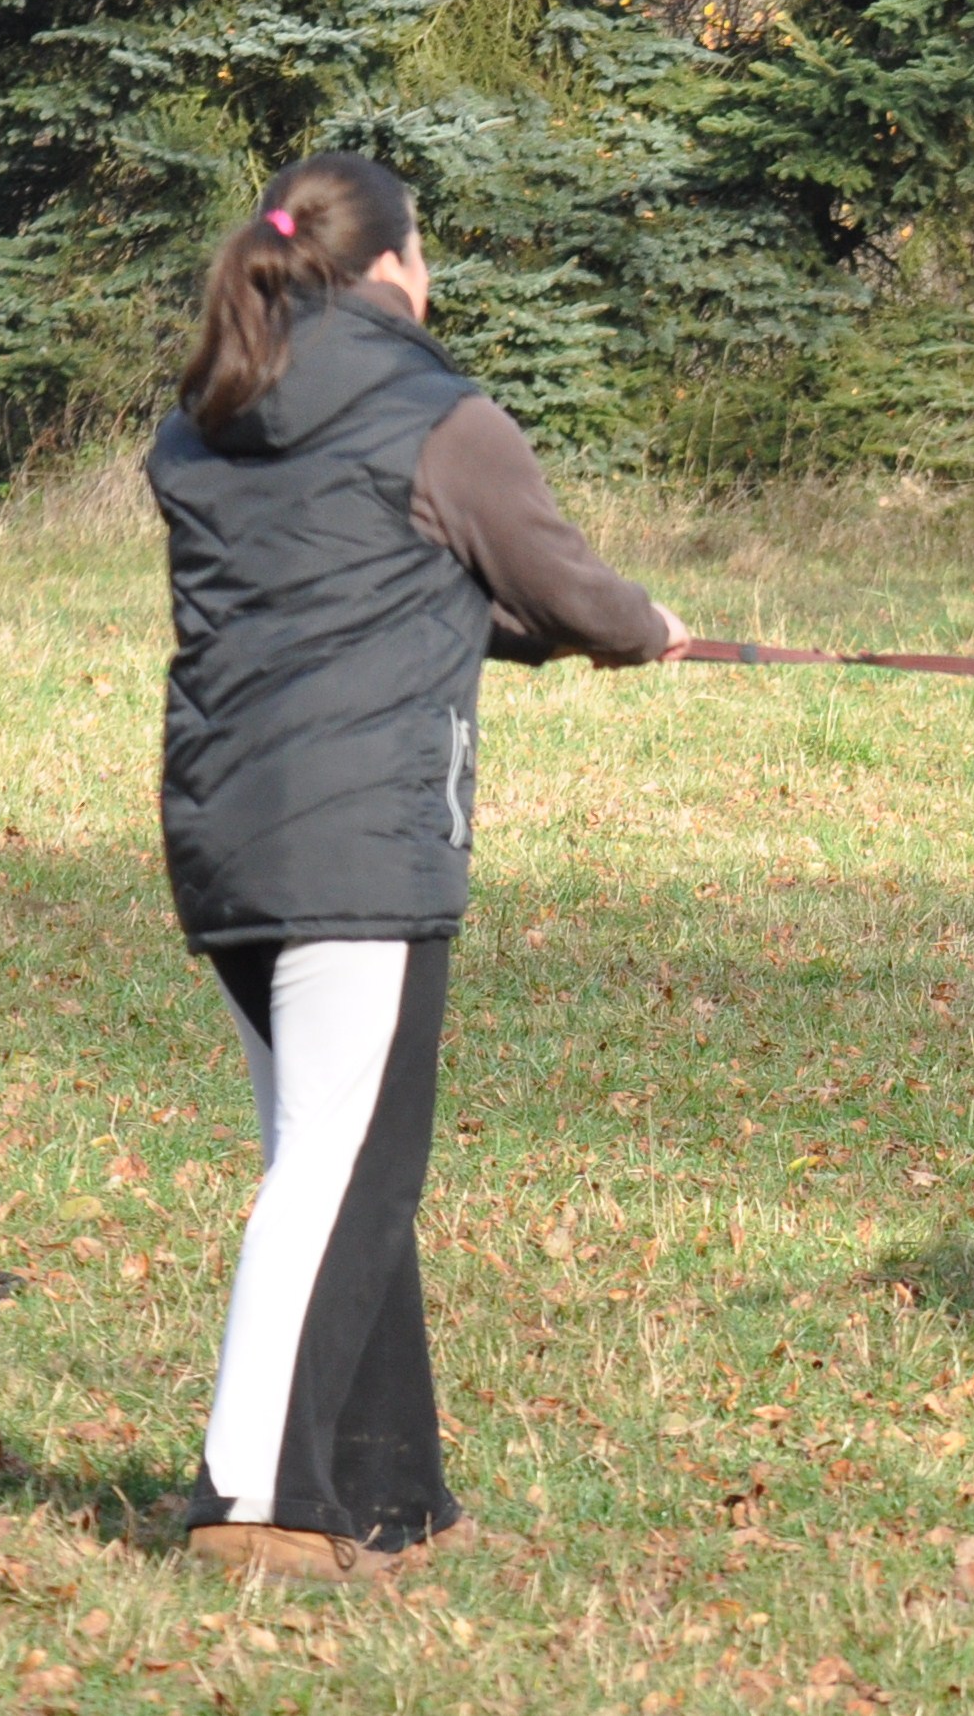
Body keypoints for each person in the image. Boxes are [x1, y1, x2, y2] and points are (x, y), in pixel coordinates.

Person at [149, 154, 688, 1584]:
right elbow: (551, 578)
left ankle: (390, 1497)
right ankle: (255, 1498)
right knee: (338, 1169)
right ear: (389, 263)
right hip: (359, 846)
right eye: (427, 252)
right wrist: (644, 627)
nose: (432, 277)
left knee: (342, 1162)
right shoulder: (437, 415)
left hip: (225, 840)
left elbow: (390, 586)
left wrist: (559, 624)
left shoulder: (208, 420)